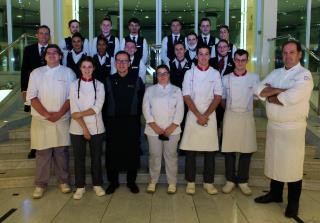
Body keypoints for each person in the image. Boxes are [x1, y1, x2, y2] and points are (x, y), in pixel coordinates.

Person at [254, 40, 313, 218]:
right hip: (274, 126)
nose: (287, 56)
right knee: (275, 163)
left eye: (291, 52)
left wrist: (272, 94)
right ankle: (275, 194)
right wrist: (280, 90)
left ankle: (293, 202)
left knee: (292, 167)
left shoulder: (304, 76)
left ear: (299, 54)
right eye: (285, 53)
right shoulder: (276, 72)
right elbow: (258, 89)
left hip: (292, 129)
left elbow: (289, 98)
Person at [26, 44, 76, 199]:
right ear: (45, 56)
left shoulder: (68, 73)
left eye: (55, 53)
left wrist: (58, 114)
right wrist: (48, 115)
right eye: (49, 53)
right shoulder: (36, 73)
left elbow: (71, 97)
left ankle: (64, 182)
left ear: (60, 56)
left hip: (61, 119)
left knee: (61, 153)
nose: (52, 55)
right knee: (43, 153)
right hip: (42, 120)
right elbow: (32, 97)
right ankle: (40, 184)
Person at [180, 46, 222, 195]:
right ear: (196, 56)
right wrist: (199, 115)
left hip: (210, 115)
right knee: (190, 151)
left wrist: (206, 115)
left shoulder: (215, 73)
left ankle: (208, 182)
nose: (203, 57)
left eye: (206, 54)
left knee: (210, 151)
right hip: (193, 115)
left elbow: (218, 96)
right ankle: (190, 182)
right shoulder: (188, 73)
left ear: (210, 56)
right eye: (201, 54)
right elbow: (186, 96)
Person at [102, 51, 145, 194]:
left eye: (124, 61)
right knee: (112, 153)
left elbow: (142, 103)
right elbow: (104, 104)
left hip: (132, 122)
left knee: (132, 152)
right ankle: (113, 182)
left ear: (129, 63)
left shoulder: (137, 80)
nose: (121, 64)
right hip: (113, 123)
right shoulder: (108, 80)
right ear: (115, 63)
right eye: (119, 61)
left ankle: (131, 182)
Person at [220, 49, 259, 195]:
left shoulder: (254, 78)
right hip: (230, 115)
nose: (240, 63)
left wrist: (245, 111)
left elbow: (255, 99)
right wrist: (231, 111)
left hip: (246, 116)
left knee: (246, 149)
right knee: (229, 150)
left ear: (247, 61)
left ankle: (243, 181)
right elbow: (222, 98)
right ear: (233, 60)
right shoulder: (226, 78)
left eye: (243, 60)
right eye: (237, 60)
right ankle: (230, 180)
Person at [143, 65, 184, 194]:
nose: (162, 76)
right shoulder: (150, 90)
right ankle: (153, 181)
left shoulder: (176, 90)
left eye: (165, 73)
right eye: (159, 74)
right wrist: (154, 126)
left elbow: (180, 110)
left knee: (171, 156)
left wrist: (173, 126)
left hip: (172, 130)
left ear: (169, 74)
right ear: (157, 76)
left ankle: (172, 182)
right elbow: (146, 109)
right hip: (153, 130)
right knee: (154, 156)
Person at [69, 56, 106, 200]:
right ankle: (80, 186)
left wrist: (81, 114)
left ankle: (97, 184)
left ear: (94, 68)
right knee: (79, 158)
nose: (87, 70)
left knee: (96, 158)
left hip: (96, 128)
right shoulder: (73, 85)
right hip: (77, 128)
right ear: (80, 68)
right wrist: (84, 129)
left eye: (89, 67)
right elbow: (73, 110)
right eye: (84, 67)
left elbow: (97, 108)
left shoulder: (100, 85)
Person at [21, 25, 50, 159]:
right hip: (34, 90)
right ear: (37, 35)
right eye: (41, 33)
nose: (44, 36)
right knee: (35, 121)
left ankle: (48, 144)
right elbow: (24, 71)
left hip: (49, 91)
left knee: (47, 118)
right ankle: (34, 147)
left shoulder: (52, 50)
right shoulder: (29, 50)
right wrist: (24, 90)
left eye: (46, 34)